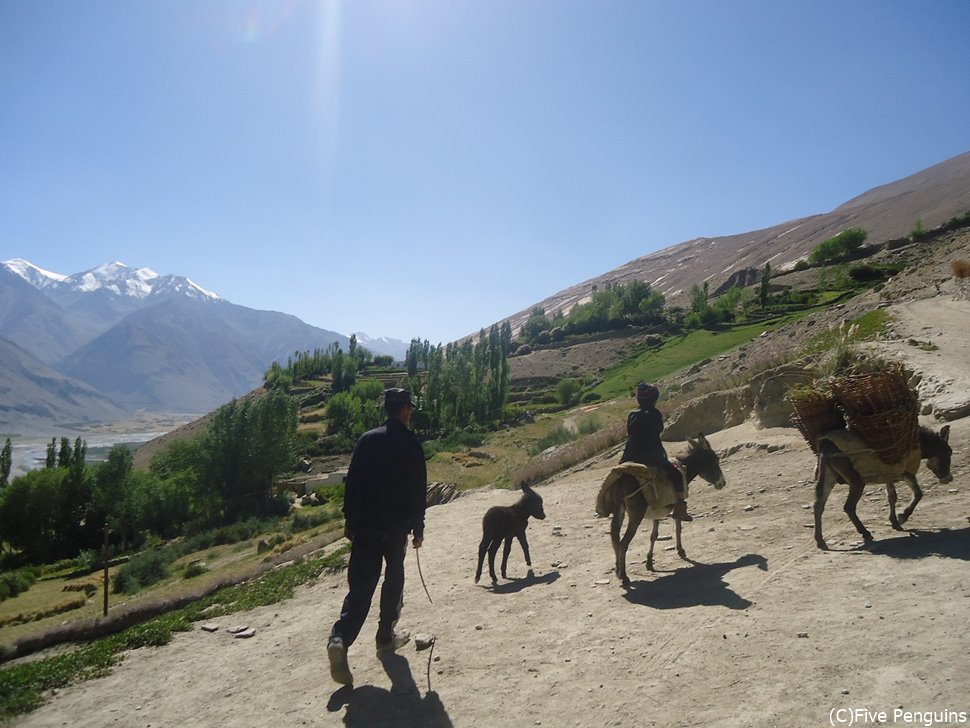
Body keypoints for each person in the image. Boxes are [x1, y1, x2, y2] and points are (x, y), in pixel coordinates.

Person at [327, 387, 427, 686]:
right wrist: (418, 528)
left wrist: (349, 521)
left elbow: (352, 483)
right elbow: (417, 491)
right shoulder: (411, 444)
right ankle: (385, 638)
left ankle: (340, 639)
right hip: (395, 529)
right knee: (393, 579)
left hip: (365, 528)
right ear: (405, 410)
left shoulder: (367, 440)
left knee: (361, 587)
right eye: (410, 408)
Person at [619, 381, 692, 521]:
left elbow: (629, 432)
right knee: (676, 474)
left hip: (629, 456)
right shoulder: (655, 413)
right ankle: (679, 508)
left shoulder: (631, 414)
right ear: (654, 399)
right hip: (651, 457)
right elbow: (659, 430)